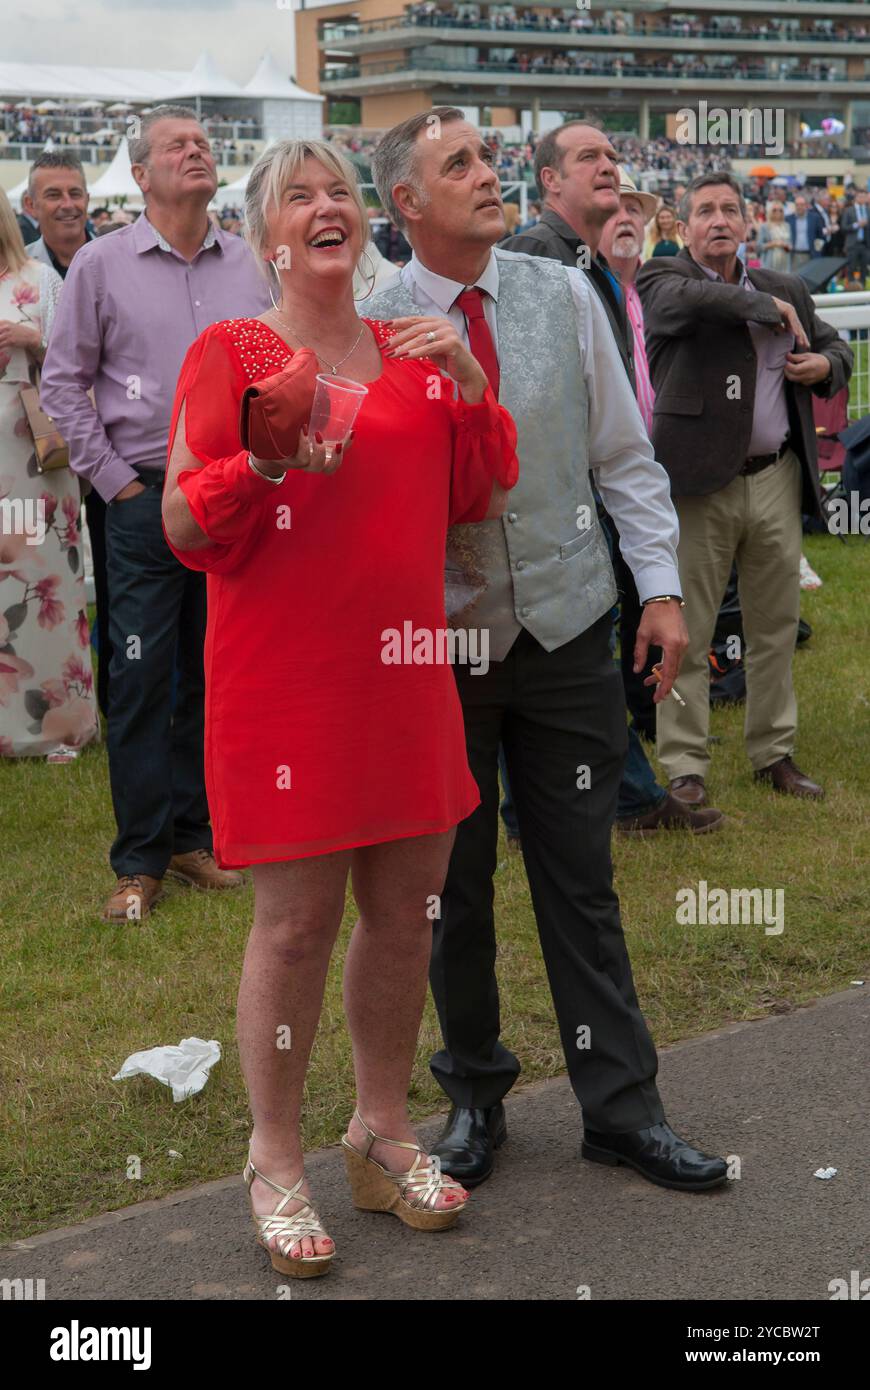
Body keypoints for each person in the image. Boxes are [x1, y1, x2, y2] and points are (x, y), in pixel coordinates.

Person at [162, 137, 519, 1275]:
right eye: (298, 196)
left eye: (340, 195)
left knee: (408, 911)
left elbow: (474, 495)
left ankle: (381, 1128)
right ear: (267, 233)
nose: (327, 208)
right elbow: (181, 526)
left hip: (406, 673)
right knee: (297, 923)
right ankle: (275, 1156)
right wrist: (261, 463)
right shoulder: (232, 350)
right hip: (289, 684)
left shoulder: (415, 354)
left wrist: (467, 385)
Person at [369, 108, 729, 1193]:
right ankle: (473, 1097)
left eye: (488, 159)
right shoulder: (369, 322)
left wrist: (661, 593)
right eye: (461, 166)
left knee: (583, 879)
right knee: (452, 889)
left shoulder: (564, 295)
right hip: (438, 651)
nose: (489, 177)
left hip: (571, 632)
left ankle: (621, 1107)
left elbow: (622, 458)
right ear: (407, 205)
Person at [40, 105, 271, 921]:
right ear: (140, 175)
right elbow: (62, 383)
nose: (197, 152)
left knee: (216, 672)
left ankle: (191, 836)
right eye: (178, 145)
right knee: (141, 675)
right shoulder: (101, 266)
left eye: (204, 143)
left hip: (233, 496)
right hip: (143, 496)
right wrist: (118, 485)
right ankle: (138, 857)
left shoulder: (250, 264)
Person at [506, 124, 718, 834]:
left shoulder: (584, 263)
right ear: (548, 180)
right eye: (589, 158)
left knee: (585, 660)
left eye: (614, 157)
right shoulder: (537, 256)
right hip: (562, 503)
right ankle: (614, 798)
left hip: (591, 491)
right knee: (580, 663)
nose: (610, 167)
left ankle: (605, 795)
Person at [638, 172, 852, 807]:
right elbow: (692, 304)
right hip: (699, 486)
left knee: (775, 627)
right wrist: (764, 306)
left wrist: (824, 367)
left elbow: (836, 348)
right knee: (689, 632)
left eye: (731, 209)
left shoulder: (784, 286)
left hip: (775, 478)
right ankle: (683, 765)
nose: (720, 220)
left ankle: (774, 753)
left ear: (748, 223)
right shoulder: (662, 278)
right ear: (682, 225)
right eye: (705, 211)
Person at [0, 189, 99, 758]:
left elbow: (79, 365)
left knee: (46, 593)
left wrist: (31, 339)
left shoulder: (40, 280)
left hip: (38, 463)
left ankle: (60, 726)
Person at [23, 151, 112, 718]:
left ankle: (113, 698)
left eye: (74, 192)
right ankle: (45, 692)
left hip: (112, 445)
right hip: (40, 446)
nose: (67, 205)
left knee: (116, 574)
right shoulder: (18, 274)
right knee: (46, 573)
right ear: (30, 206)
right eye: (53, 195)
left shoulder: (115, 258)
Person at [786, 193, 825, 270]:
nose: (799, 207)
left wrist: (817, 251)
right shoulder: (788, 219)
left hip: (810, 255)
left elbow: (820, 236)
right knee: (794, 278)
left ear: (806, 206)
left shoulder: (815, 218)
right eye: (797, 205)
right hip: (794, 255)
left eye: (802, 204)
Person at [841, 190, 869, 286]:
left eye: (864, 196)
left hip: (865, 245)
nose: (862, 198)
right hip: (853, 244)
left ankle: (862, 290)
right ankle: (851, 290)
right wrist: (857, 225)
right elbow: (844, 227)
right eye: (860, 196)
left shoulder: (868, 210)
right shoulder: (849, 210)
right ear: (856, 198)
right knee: (851, 268)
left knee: (864, 269)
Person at [757, 203, 792, 272]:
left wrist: (786, 245)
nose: (778, 212)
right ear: (770, 211)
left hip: (784, 262)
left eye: (780, 210)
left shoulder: (787, 226)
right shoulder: (765, 226)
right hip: (769, 262)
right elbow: (759, 246)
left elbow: (790, 244)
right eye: (774, 210)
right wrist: (773, 244)